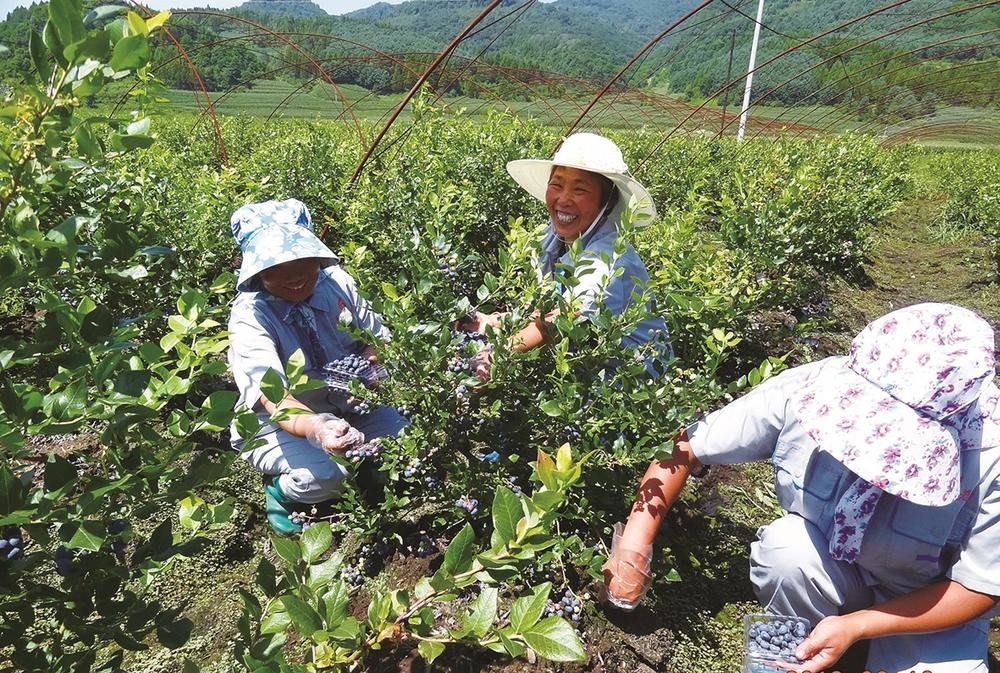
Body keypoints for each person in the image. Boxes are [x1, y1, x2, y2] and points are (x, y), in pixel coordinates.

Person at [602, 302, 1000, 673]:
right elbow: (687, 447)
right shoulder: (812, 386)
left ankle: (855, 638)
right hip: (830, 566)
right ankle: (819, 637)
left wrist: (861, 625)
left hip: (928, 601)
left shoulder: (990, 455)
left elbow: (979, 588)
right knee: (786, 551)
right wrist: (634, 545)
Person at [227, 198, 407, 535]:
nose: (293, 276)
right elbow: (275, 399)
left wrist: (372, 374)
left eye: (301, 261)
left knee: (407, 443)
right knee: (326, 476)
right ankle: (282, 493)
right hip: (279, 422)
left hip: (353, 403)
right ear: (256, 270)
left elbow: (376, 341)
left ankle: (366, 471)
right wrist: (318, 428)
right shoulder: (250, 317)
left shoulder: (336, 282)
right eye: (275, 267)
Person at [465, 132, 671, 378]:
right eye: (557, 185)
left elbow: (560, 319)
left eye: (580, 189)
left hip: (630, 385)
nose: (563, 199)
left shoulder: (610, 260)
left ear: (606, 202)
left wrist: (496, 353)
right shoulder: (554, 238)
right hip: (585, 369)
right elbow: (544, 309)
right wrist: (494, 321)